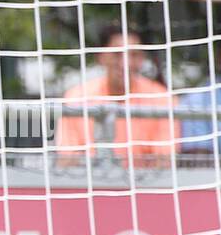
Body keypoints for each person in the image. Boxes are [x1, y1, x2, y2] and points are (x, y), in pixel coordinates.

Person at [53, 24, 178, 167]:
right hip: (89, 184)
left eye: (134, 55)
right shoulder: (76, 98)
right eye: (117, 54)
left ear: (143, 58)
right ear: (100, 56)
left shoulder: (162, 100)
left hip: (145, 185)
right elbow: (67, 161)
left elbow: (164, 163)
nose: (126, 63)